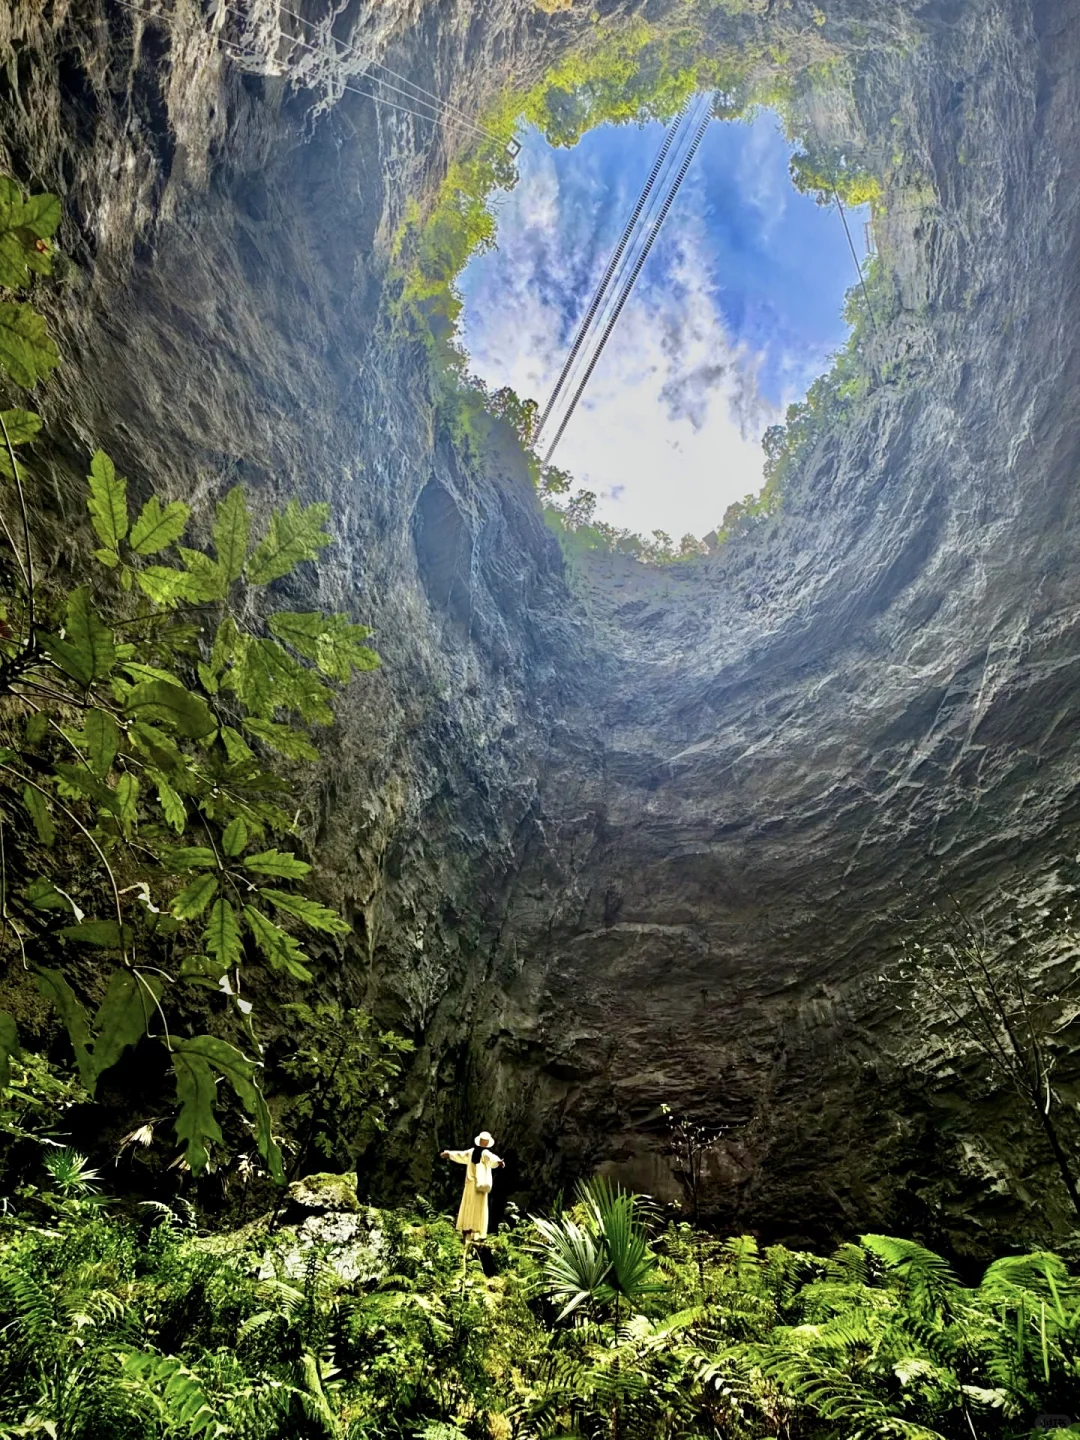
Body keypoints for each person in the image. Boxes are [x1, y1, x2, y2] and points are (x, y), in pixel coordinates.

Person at [440, 1130, 505, 1241]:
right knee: (478, 1208)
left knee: (469, 1206)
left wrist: (449, 1154)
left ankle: (467, 1229)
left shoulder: (473, 1152)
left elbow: (461, 1155)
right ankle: (474, 1232)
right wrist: (499, 1162)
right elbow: (492, 1160)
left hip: (471, 1185)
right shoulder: (484, 1153)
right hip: (479, 1186)